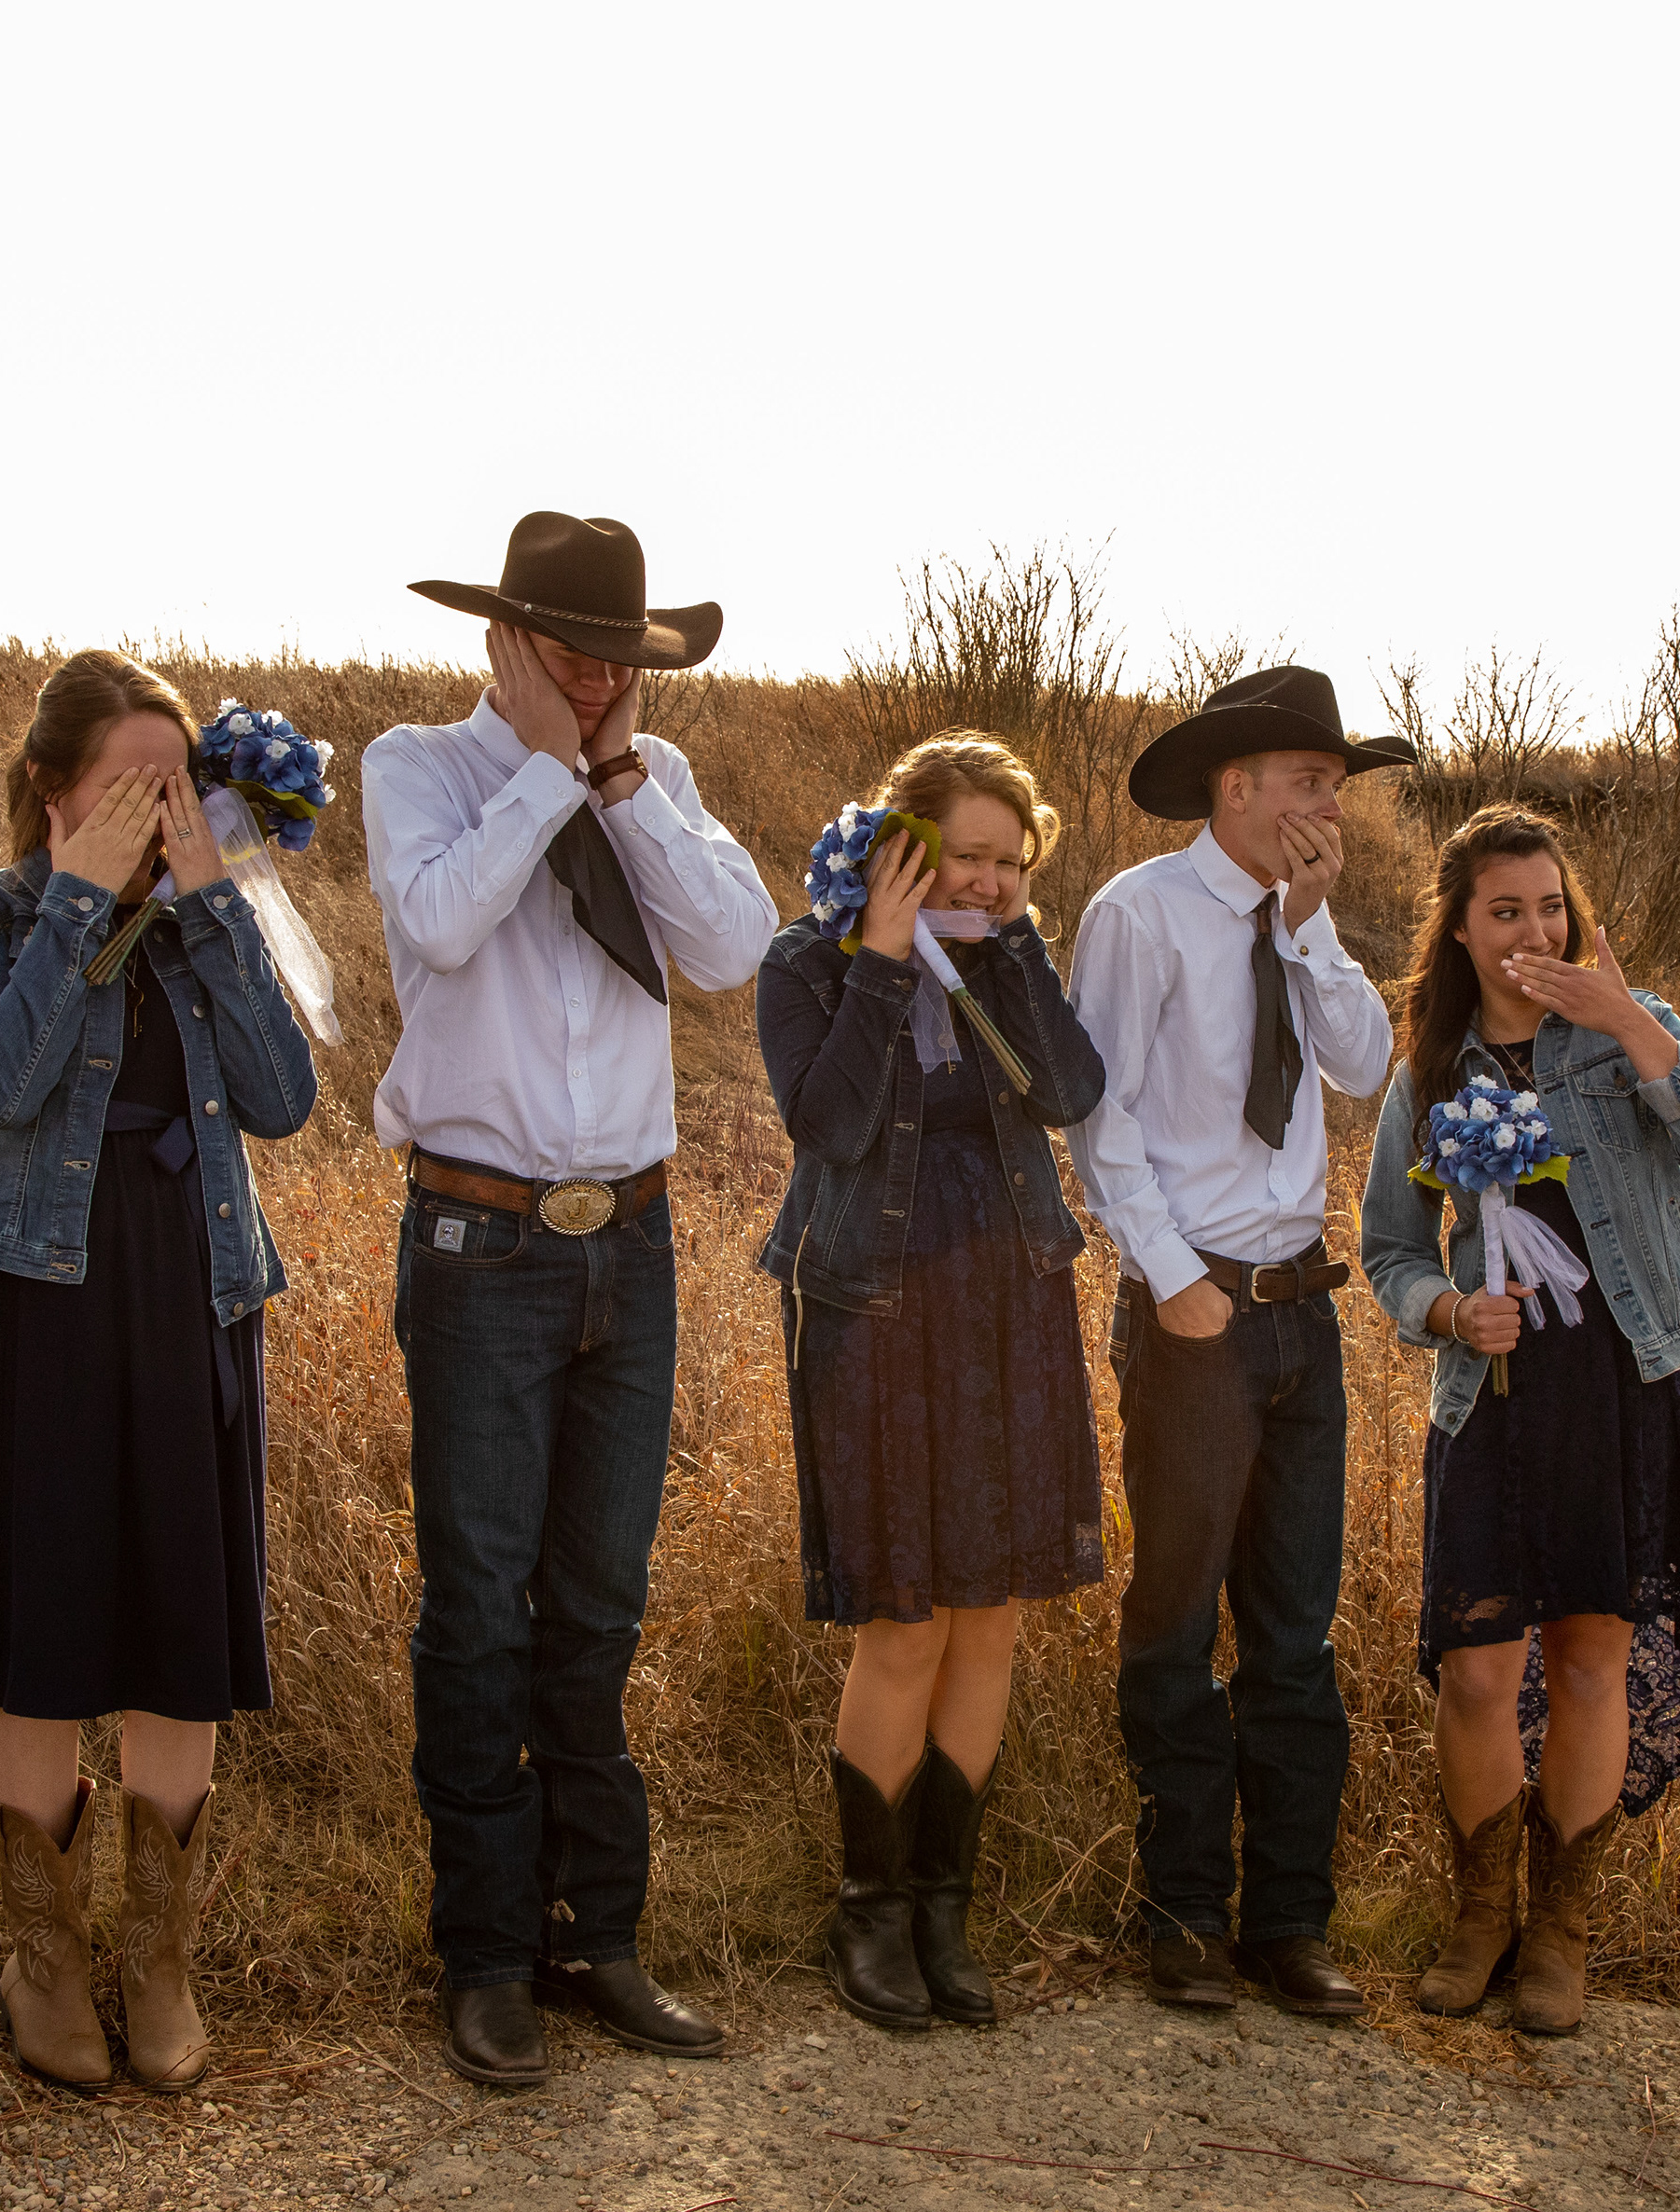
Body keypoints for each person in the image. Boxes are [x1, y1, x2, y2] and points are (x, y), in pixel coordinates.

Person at [367, 513, 778, 2087]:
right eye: (570, 653)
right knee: (480, 1609)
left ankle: (595, 1935)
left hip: (634, 1244)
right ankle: (485, 1956)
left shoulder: (653, 782)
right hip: (481, 1244)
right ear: (503, 641)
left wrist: (612, 779)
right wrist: (543, 767)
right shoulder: (418, 767)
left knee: (598, 1606)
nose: (600, 680)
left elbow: (732, 946)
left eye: (620, 659)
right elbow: (438, 921)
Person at [0, 651, 320, 2094]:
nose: (158, 812)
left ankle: (157, 1959)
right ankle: (44, 1956)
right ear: (51, 785)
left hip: (192, 1293)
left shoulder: (206, 921)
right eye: (130, 786)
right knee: (44, 1624)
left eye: (175, 785)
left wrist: (214, 908)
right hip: (37, 1299)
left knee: (179, 1625)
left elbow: (284, 1098)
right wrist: (80, 897)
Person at [1355, 807, 1680, 2038]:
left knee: (1593, 1659)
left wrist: (1632, 1022)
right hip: (1492, 1397)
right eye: (1506, 911)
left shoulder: (1630, 1033)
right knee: (1478, 1669)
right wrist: (1444, 1309)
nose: (1534, 931)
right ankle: (1481, 1913)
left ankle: (1560, 1932)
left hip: (1624, 1383)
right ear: (1461, 929)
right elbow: (1387, 1247)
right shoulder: (1430, 1072)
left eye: (1551, 907)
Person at [1066, 664, 1414, 2018]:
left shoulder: (1301, 917)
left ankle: (1289, 1924)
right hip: (1196, 1314)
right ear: (1237, 785)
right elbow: (1101, 1116)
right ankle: (1184, 1916)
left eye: (1338, 785)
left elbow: (1367, 1066)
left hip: (1301, 1314)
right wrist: (1170, 1281)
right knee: (1174, 1622)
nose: (1332, 806)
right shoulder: (1139, 913)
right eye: (1313, 780)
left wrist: (1313, 931)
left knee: (1295, 1632)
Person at [754, 732, 1112, 2031]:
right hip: (875, 1309)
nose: (990, 882)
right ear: (902, 847)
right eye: (966, 857)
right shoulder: (806, 963)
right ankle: (870, 1910)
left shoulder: (1010, 955)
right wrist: (885, 958)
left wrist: (1013, 950)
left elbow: (1069, 1090)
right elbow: (830, 1124)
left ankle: (943, 1908)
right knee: (905, 1617)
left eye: (1011, 864)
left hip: (1011, 1297)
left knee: (993, 1611)